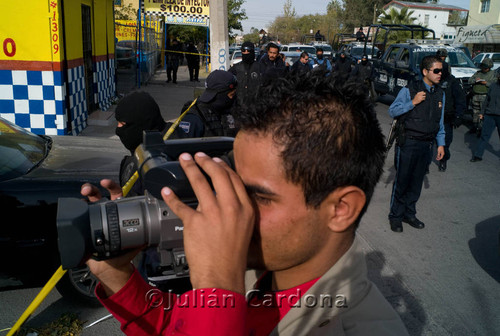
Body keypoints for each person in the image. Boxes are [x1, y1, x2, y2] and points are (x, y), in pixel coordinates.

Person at [86, 71, 408, 335]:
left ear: (341, 209)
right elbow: (176, 327)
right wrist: (118, 276)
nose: (234, 207)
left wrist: (215, 290)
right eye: (233, 182)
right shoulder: (264, 269)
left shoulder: (359, 327)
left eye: (260, 197)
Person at [388, 55, 445, 233]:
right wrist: (412, 103)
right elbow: (393, 111)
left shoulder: (440, 93)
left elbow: (440, 122)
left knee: (416, 183)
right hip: (408, 143)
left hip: (426, 145)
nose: (440, 74)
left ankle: (409, 213)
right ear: (425, 72)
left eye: (441, 70)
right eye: (436, 70)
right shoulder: (409, 90)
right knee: (402, 181)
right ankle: (396, 216)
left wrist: (441, 144)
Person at [174, 70, 238, 138]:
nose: (233, 98)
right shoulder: (195, 117)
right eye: (231, 95)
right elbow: (185, 146)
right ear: (219, 95)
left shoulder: (230, 112)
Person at [438, 61, 466, 172]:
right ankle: (424, 165)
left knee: (445, 141)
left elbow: (460, 100)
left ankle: (443, 159)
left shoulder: (453, 82)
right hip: (433, 116)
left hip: (446, 117)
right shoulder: (434, 80)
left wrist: (459, 116)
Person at [470, 68, 500, 162]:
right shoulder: (493, 86)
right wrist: (482, 113)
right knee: (484, 136)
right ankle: (478, 155)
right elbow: (487, 100)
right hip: (489, 115)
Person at [468, 57, 496, 134]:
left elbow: (495, 85)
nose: (484, 69)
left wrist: (485, 83)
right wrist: (475, 80)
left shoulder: (493, 74)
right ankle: (475, 126)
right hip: (476, 95)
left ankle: (481, 128)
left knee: (483, 113)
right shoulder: (478, 73)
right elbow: (470, 80)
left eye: (486, 68)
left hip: (485, 96)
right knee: (475, 112)